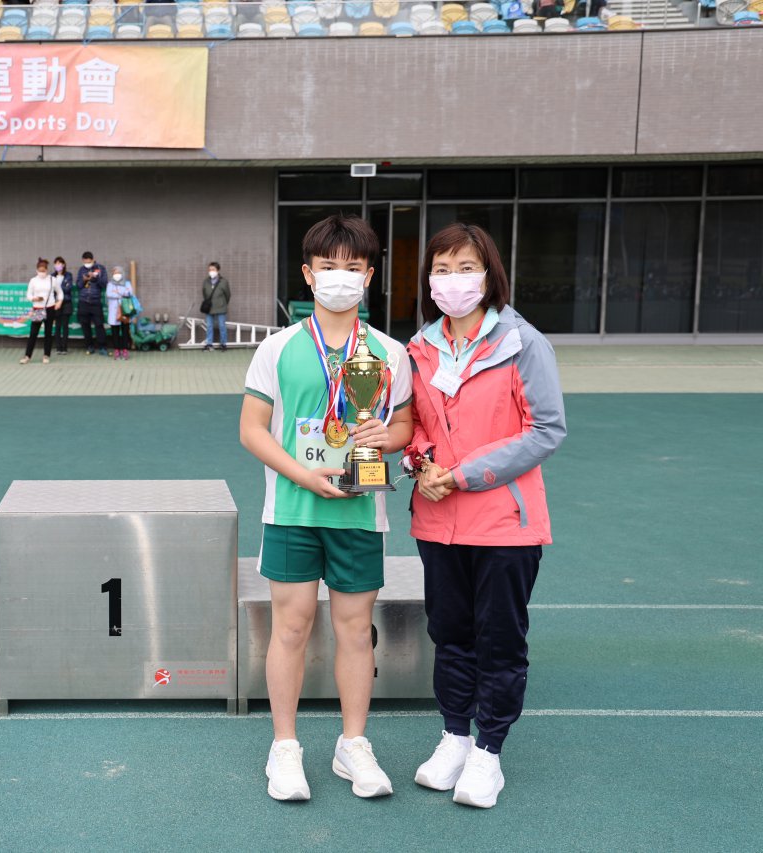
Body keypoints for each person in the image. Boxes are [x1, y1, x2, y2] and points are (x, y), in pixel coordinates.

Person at [240, 215, 413, 803]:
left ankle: (353, 744)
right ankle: (284, 747)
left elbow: (404, 426)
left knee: (355, 632)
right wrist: (302, 475)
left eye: (353, 267)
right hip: (292, 510)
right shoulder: (277, 347)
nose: (341, 276)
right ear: (308, 274)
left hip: (360, 512)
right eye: (328, 266)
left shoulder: (390, 352)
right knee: (290, 627)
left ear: (369, 276)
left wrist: (386, 436)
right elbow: (252, 429)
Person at [405, 222, 566, 810]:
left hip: (505, 523)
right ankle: (454, 736)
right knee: (449, 634)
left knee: (499, 639)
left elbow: (546, 429)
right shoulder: (418, 348)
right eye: (442, 270)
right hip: (437, 520)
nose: (454, 281)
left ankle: (488, 750)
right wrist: (421, 461)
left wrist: (463, 474)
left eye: (466, 268)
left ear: (489, 274)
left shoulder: (524, 343)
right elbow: (414, 424)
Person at [20, 258, 62, 365]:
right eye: (40, 271)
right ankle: (27, 356)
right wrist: (34, 298)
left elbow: (60, 292)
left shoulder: (52, 280)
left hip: (50, 308)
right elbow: (28, 294)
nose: (42, 273)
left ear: (47, 270)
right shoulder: (33, 280)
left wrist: (59, 302)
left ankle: (46, 355)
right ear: (36, 270)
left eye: (43, 271)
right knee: (33, 333)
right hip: (38, 309)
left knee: (48, 333)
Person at [76, 251, 108, 356]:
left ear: (93, 260)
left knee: (99, 325)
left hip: (95, 301)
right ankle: (89, 346)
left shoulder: (100, 268)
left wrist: (95, 278)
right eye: (85, 262)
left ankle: (102, 347)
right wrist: (84, 280)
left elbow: (104, 284)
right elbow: (78, 285)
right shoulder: (81, 270)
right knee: (85, 325)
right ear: (82, 261)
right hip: (83, 301)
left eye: (89, 262)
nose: (87, 264)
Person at [105, 266, 138, 361]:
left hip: (125, 310)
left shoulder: (127, 283)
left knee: (125, 331)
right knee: (115, 332)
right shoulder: (110, 284)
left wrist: (117, 292)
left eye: (118, 273)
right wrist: (122, 293)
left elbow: (129, 293)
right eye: (115, 273)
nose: (117, 275)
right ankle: (116, 350)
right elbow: (109, 294)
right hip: (114, 312)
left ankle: (125, 350)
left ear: (122, 273)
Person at [202, 261, 230, 351]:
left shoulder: (223, 282)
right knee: (209, 326)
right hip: (209, 308)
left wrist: (223, 303)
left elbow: (228, 295)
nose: (211, 271)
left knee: (222, 326)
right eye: (210, 269)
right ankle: (209, 344)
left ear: (218, 270)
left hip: (221, 308)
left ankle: (223, 344)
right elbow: (204, 293)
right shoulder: (206, 281)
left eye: (213, 269)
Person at [49, 257, 73, 355]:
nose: (58, 265)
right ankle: (58, 347)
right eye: (56, 263)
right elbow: (51, 289)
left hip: (66, 303)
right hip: (55, 303)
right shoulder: (52, 276)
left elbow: (68, 288)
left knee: (65, 326)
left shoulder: (68, 275)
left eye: (60, 263)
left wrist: (57, 288)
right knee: (57, 326)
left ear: (63, 264)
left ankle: (64, 348)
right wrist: (61, 287)